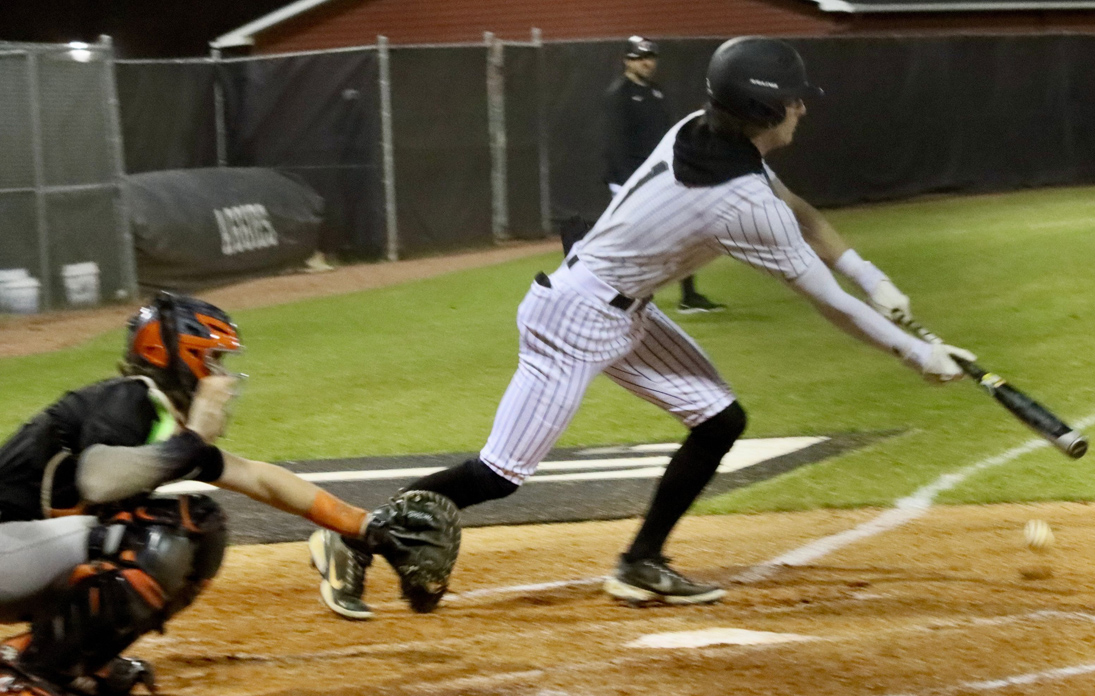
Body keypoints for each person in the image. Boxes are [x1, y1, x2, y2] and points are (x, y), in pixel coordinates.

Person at [312, 36, 973, 615]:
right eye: (793, 99)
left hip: (624, 310)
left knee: (719, 420)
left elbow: (796, 208)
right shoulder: (739, 203)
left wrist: (870, 276)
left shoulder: (704, 132)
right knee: (499, 474)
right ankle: (351, 535)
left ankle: (641, 563)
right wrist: (916, 354)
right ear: (766, 111)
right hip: (574, 319)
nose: (802, 107)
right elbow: (829, 303)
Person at [0, 293, 454, 696]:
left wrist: (366, 527)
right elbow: (98, 481)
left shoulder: (162, 421)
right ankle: (26, 677)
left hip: (22, 554)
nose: (221, 376)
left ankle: (67, 657)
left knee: (201, 525)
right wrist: (194, 438)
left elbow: (260, 479)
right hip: (9, 549)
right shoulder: (130, 399)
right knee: (160, 534)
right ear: (167, 353)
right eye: (211, 359)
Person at [601, 35, 724, 314]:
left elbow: (666, 136)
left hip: (661, 176)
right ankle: (626, 296)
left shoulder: (656, 92)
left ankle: (688, 296)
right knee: (634, 242)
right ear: (627, 61)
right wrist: (627, 184)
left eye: (650, 57)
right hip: (630, 180)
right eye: (639, 57)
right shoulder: (619, 94)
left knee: (682, 231)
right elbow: (615, 143)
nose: (647, 62)